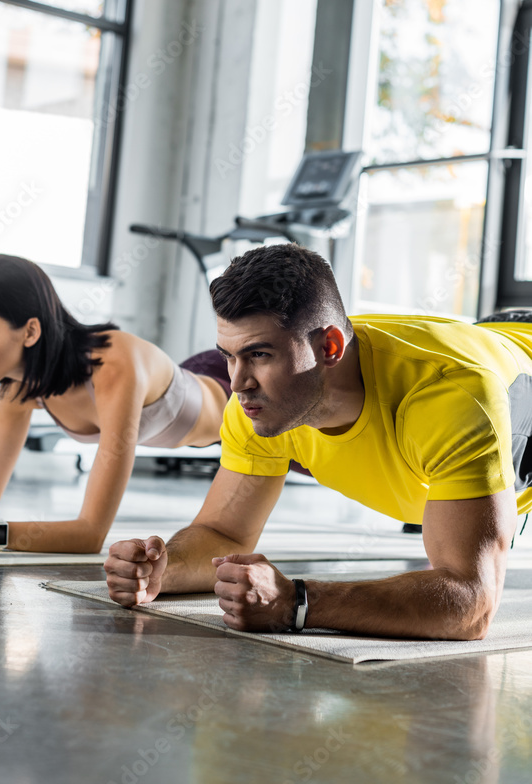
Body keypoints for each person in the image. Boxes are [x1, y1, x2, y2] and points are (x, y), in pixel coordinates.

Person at [105, 243, 532, 641]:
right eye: (229, 356)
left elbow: (472, 603)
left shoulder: (448, 400)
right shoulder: (259, 407)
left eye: (259, 355)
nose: (237, 384)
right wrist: (163, 569)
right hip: (491, 339)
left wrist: (297, 603)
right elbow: (223, 532)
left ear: (329, 346)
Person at [0, 255, 230, 553]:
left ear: (30, 331)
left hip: (239, 396)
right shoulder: (18, 390)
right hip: (192, 381)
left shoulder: (113, 366)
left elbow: (89, 535)